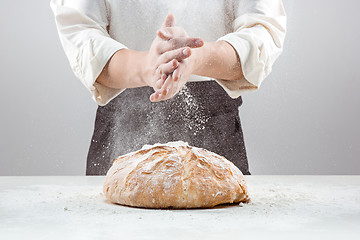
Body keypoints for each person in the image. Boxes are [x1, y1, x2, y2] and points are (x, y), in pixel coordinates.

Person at [50, 0, 286, 175]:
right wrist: (147, 66)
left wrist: (197, 57)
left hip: (216, 123)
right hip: (120, 123)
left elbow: (263, 30)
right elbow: (81, 32)